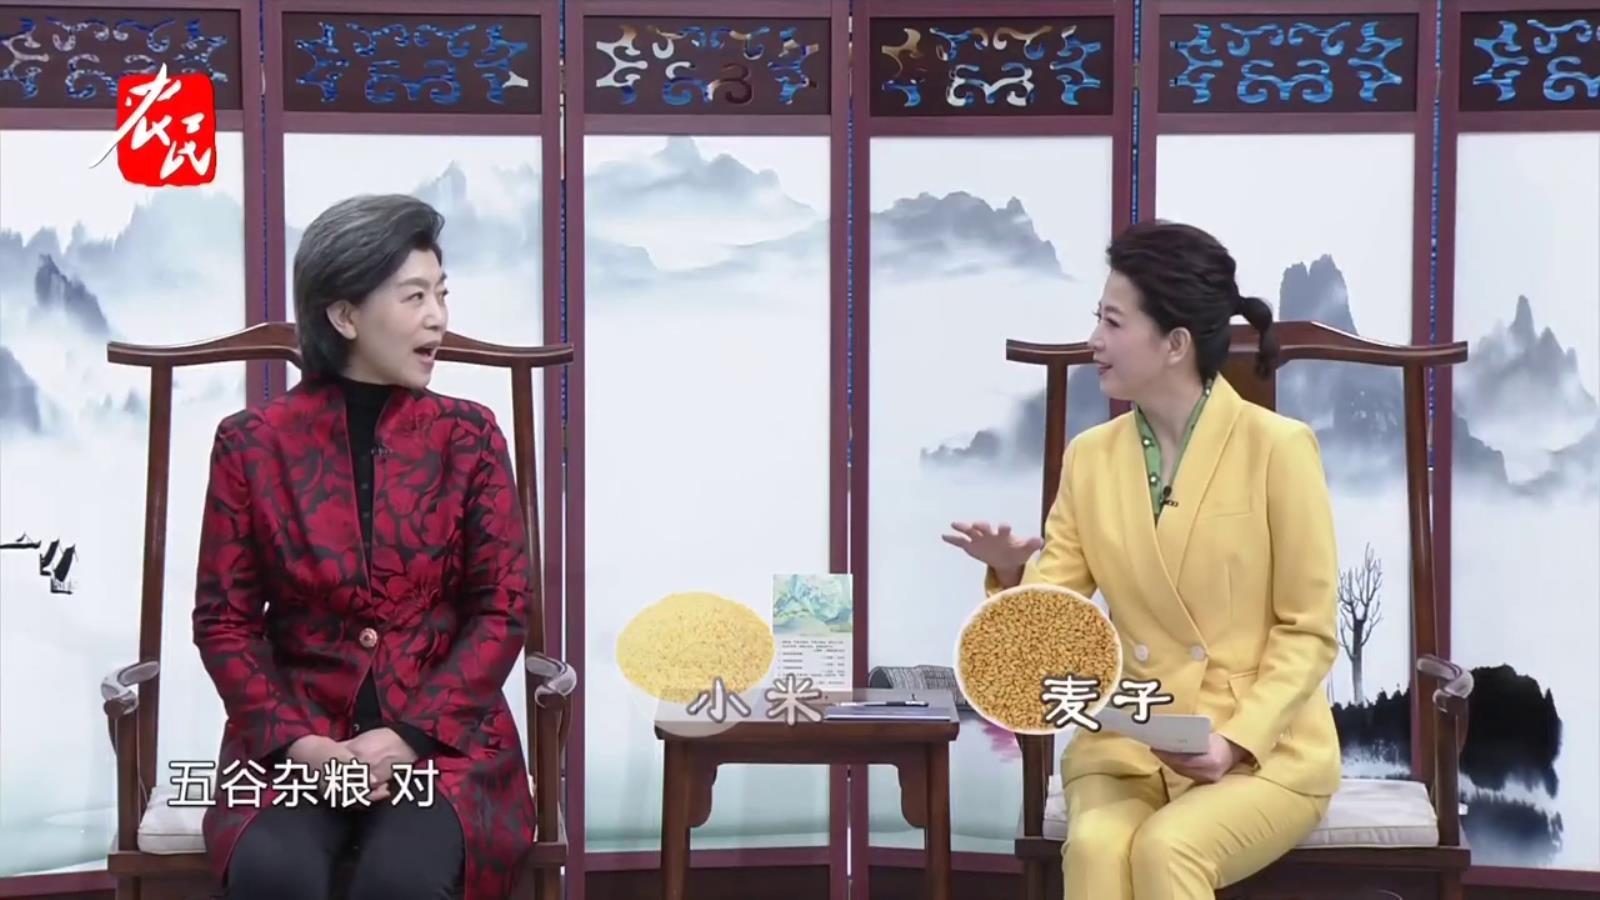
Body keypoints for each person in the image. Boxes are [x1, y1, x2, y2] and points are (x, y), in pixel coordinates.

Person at [944, 220, 1341, 899]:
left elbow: (1308, 630)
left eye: (1112, 322)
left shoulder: (1279, 448)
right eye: (1096, 318)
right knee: (1097, 848)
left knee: (1168, 848)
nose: (1094, 340)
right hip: (1129, 741)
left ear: (1175, 344)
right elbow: (1053, 625)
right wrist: (1009, 572)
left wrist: (1234, 741)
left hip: (1262, 748)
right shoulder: (1091, 459)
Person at [193, 194, 535, 900]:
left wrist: (408, 735)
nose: (438, 316)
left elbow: (501, 608)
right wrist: (303, 746)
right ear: (345, 316)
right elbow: (223, 621)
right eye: (414, 297)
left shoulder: (469, 437)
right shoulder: (251, 444)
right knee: (275, 875)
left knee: (401, 881)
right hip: (295, 744)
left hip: (444, 744)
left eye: (441, 293)